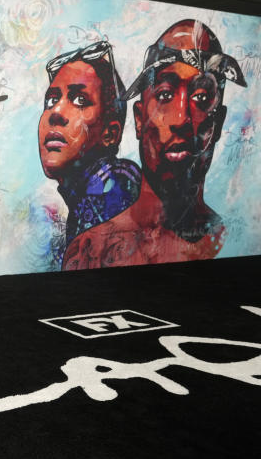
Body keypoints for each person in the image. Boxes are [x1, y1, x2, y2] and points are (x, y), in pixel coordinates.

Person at [62, 19, 246, 270]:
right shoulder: (90, 253)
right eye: (165, 95)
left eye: (201, 98)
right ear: (139, 120)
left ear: (219, 123)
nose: (181, 118)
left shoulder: (237, 240)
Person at [37, 40, 140, 268]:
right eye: (51, 100)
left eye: (79, 100)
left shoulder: (112, 187)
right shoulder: (88, 195)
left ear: (110, 134)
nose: (56, 112)